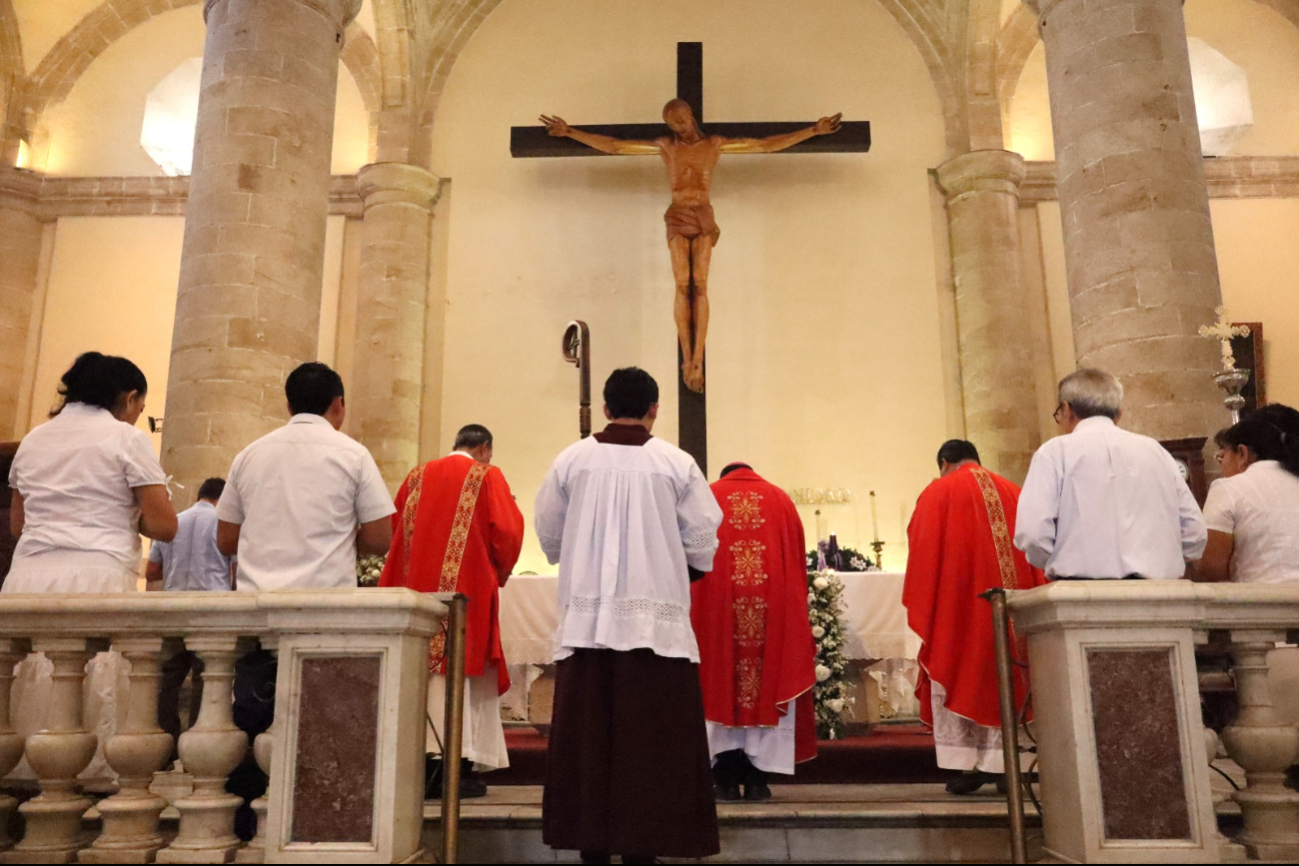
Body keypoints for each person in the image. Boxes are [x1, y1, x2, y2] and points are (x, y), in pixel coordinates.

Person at [535, 367, 723, 864]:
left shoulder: (571, 461)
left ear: (604, 407)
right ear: (655, 409)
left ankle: (591, 847)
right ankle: (645, 848)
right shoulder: (676, 463)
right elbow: (703, 542)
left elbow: (550, 536)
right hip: (654, 632)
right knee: (651, 747)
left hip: (588, 626)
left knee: (589, 743)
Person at [540, 104, 842, 393]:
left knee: (700, 286)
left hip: (702, 215)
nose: (679, 128)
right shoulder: (666, 146)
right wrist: (570, 133)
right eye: (673, 124)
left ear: (691, 116)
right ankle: (687, 359)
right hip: (677, 216)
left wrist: (814, 130)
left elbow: (766, 145)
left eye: (682, 121)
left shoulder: (714, 144)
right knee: (682, 284)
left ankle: (699, 358)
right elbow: (615, 146)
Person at [215, 362, 395, 838]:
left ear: (288, 403)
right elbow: (381, 537)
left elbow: (226, 539)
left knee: (253, 721)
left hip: (258, 615)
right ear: (338, 405)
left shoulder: (250, 455)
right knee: (322, 726)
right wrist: (336, 536)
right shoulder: (352, 454)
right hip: (325, 615)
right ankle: (316, 827)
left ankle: (248, 824)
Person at [5, 351, 177, 782]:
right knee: (89, 684)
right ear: (130, 397)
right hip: (95, 573)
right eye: (140, 407)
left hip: (27, 576)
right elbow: (164, 525)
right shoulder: (125, 439)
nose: (138, 416)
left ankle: (19, 773)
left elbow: (18, 522)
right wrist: (127, 513)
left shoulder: (34, 439)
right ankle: (86, 779)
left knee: (29, 678)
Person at [380, 424, 524, 799]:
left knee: (423, 682)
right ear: (485, 449)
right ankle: (451, 772)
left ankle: (420, 768)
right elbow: (507, 532)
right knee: (461, 678)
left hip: (414, 601)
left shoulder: (415, 476)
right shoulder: (486, 475)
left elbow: (394, 528)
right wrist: (500, 571)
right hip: (466, 599)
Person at [904, 440, 1046, 794]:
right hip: (1014, 609)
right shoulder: (1014, 492)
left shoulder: (938, 493)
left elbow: (921, 550)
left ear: (944, 462)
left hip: (959, 611)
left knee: (961, 671)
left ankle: (966, 767)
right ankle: (1006, 765)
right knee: (1008, 674)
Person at [692, 461, 816, 802]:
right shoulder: (780, 499)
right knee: (768, 683)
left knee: (719, 684)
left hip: (717, 609)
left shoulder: (706, 496)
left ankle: (725, 780)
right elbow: (795, 563)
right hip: (772, 608)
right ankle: (758, 780)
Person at [1015, 368, 1207, 579]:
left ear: (1067, 409)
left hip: (1081, 597)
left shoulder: (1054, 452)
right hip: (1159, 597)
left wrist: (1059, 564)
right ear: (1118, 414)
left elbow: (1033, 535)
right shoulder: (1156, 452)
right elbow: (1195, 533)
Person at [146, 477, 234, 758]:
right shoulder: (224, 524)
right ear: (223, 498)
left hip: (174, 608)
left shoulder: (176, 521)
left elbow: (151, 571)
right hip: (212, 610)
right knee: (205, 677)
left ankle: (165, 746)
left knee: (168, 679)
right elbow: (235, 572)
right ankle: (195, 747)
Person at [1194, 419, 1299, 583]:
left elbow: (1210, 568)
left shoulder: (1229, 487)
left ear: (1242, 453)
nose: (1222, 466)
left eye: (1222, 457)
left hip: (1263, 603)